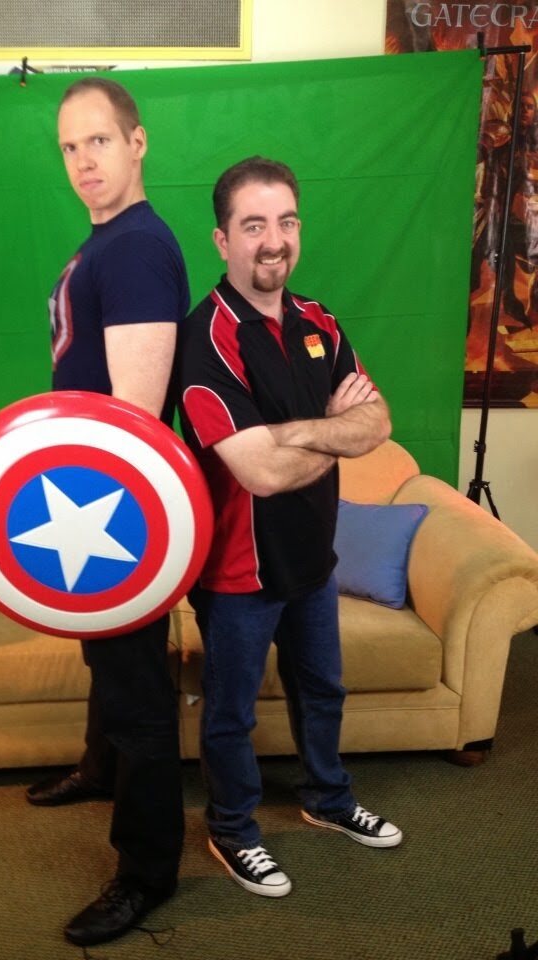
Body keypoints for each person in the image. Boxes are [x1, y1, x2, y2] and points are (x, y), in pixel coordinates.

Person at [177, 156, 403, 899]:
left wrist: (294, 433)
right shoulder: (205, 338)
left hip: (312, 556)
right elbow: (261, 474)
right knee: (231, 713)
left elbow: (378, 421)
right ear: (222, 240)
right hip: (237, 571)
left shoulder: (319, 321)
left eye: (286, 221)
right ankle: (232, 829)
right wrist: (333, 429)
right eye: (253, 226)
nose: (273, 240)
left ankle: (328, 799)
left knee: (322, 689)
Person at [26, 77, 190, 947]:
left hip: (117, 506)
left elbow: (134, 418)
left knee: (136, 686)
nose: (83, 160)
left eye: (99, 140)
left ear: (137, 142)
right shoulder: (108, 242)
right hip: (90, 495)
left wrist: (100, 517)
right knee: (107, 661)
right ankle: (101, 768)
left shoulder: (134, 249)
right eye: (69, 146)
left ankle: (146, 871)